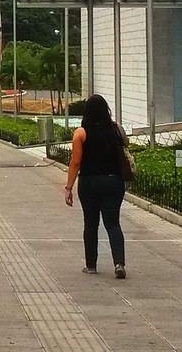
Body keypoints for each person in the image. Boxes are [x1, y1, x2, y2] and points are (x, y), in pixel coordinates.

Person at [64, 94, 127, 280]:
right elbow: (126, 146)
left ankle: (91, 265)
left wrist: (68, 187)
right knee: (113, 223)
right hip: (113, 181)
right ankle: (119, 263)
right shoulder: (116, 129)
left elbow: (75, 162)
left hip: (89, 182)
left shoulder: (81, 133)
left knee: (91, 223)